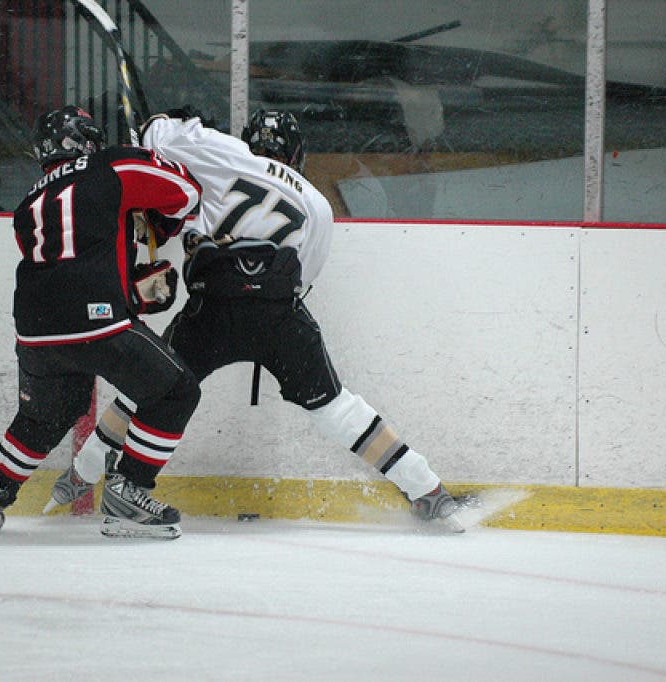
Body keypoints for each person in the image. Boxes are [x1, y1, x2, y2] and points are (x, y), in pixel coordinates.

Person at [46, 109, 472, 530]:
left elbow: (156, 135)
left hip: (211, 307)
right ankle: (427, 489)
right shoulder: (316, 204)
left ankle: (80, 476)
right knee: (335, 407)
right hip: (277, 314)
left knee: (154, 388)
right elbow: (303, 277)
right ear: (297, 154)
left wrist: (160, 121)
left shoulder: (226, 153)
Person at [0, 105, 202, 539]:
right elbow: (187, 191)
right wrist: (157, 178)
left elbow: (74, 251)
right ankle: (130, 490)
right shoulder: (113, 164)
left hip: (34, 328)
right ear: (85, 138)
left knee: (47, 415)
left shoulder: (27, 204)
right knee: (176, 391)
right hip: (96, 321)